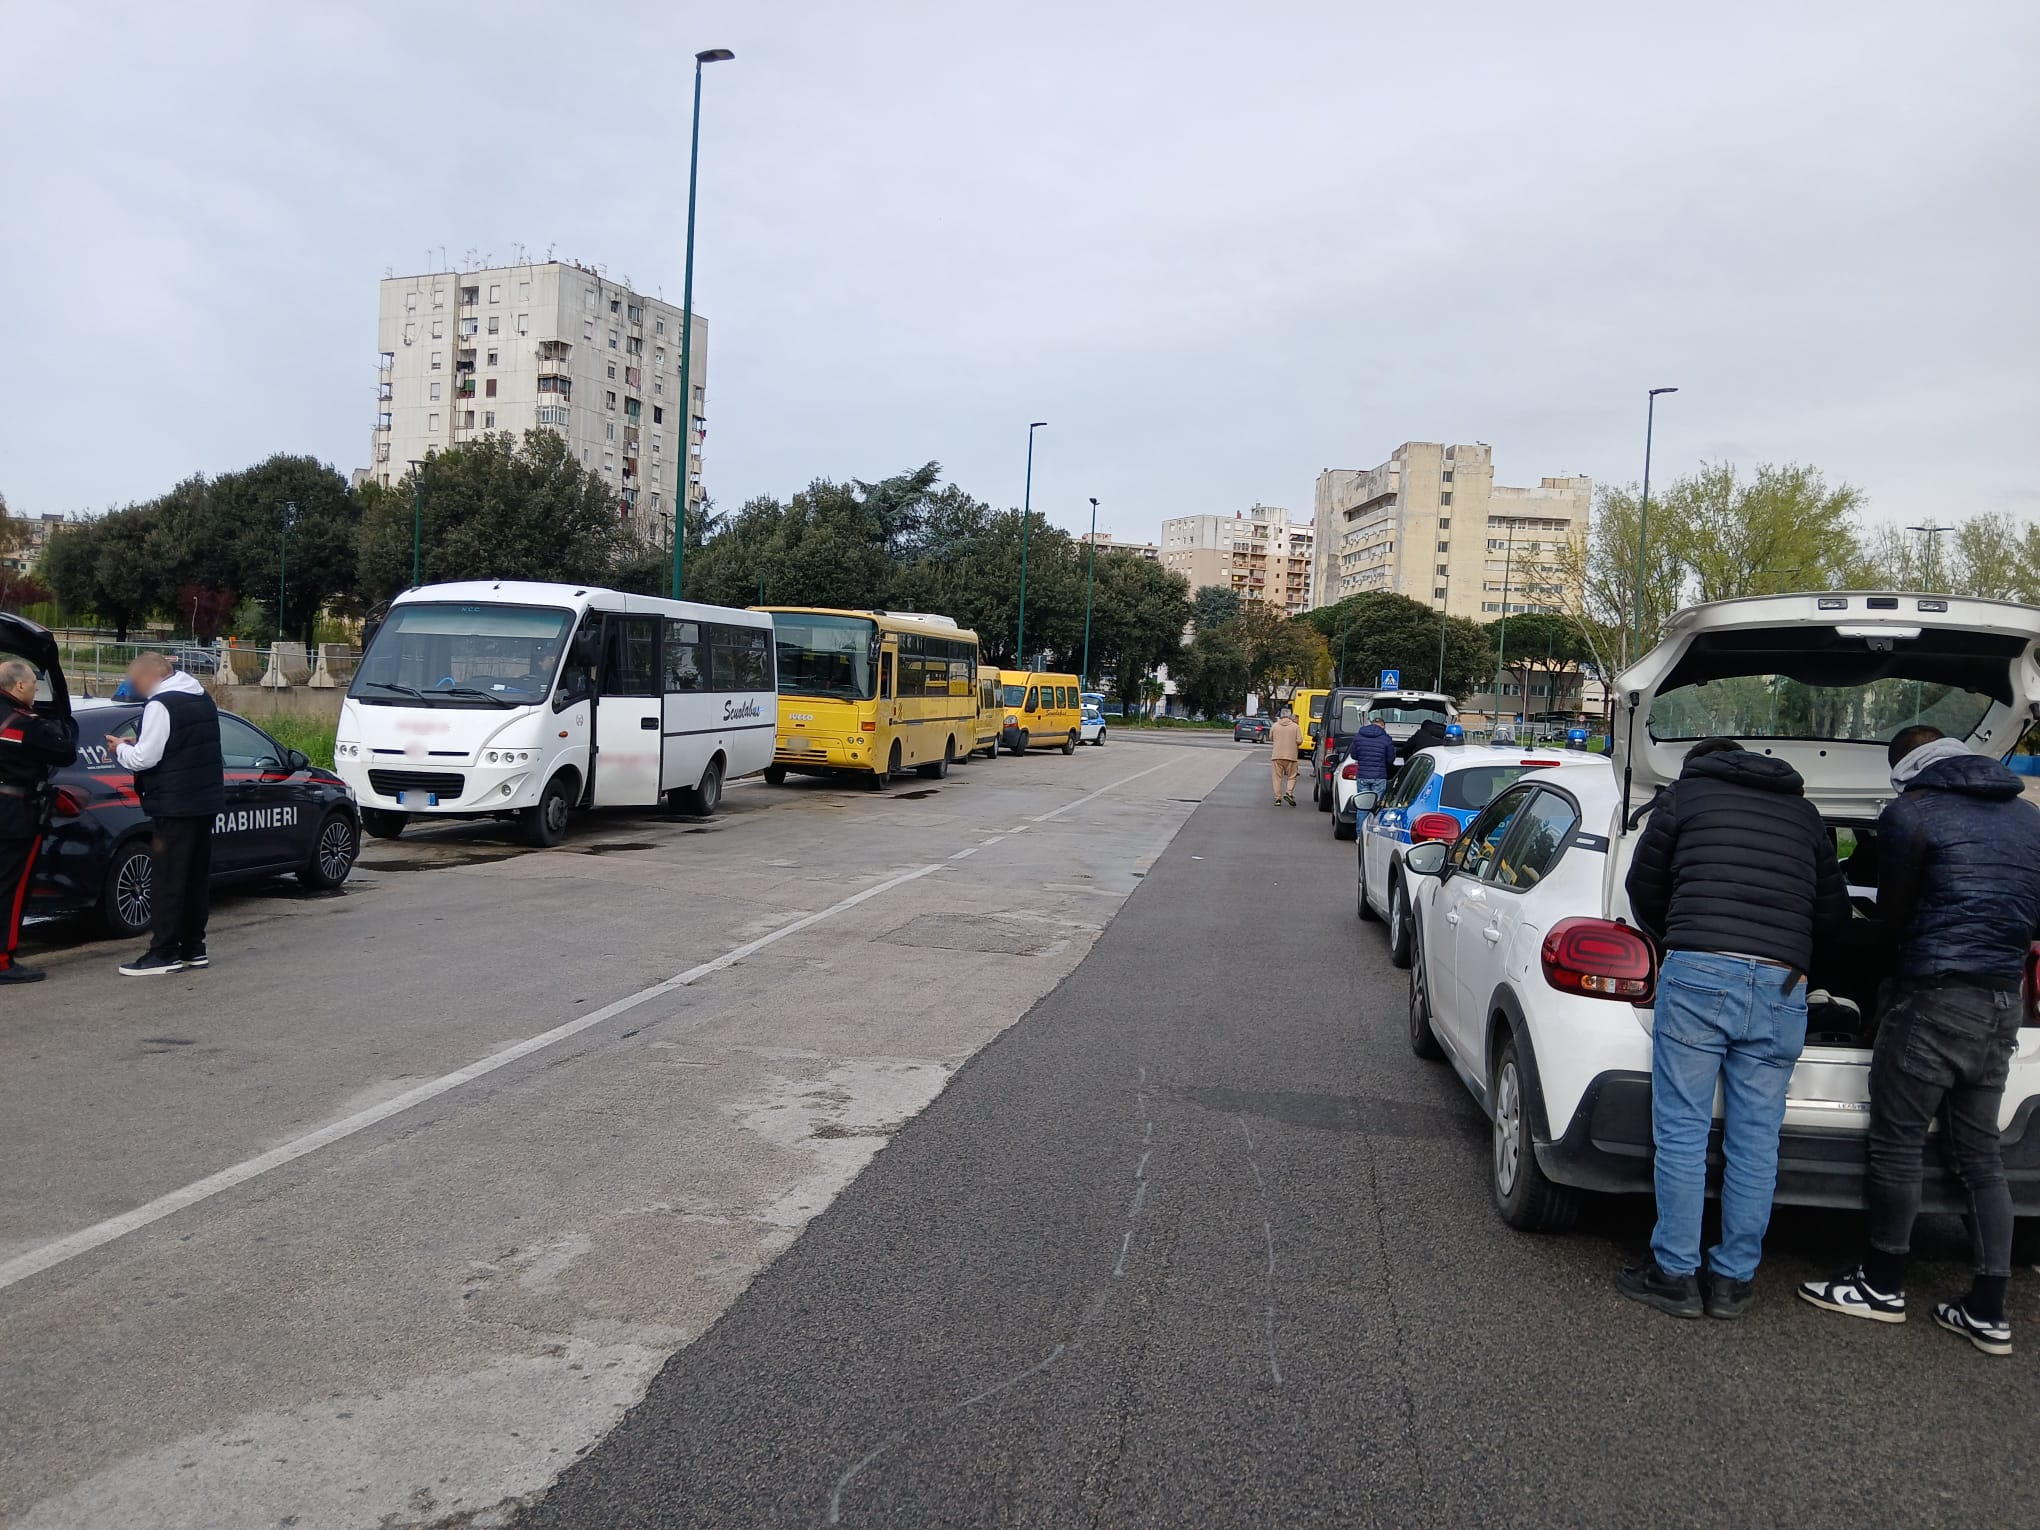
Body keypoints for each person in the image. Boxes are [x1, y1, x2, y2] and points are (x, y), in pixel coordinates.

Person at [1799, 726, 2040, 1355]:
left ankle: (1881, 1285)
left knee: (1898, 1144)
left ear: (1904, 768)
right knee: (1980, 1154)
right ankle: (1988, 1310)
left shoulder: (1911, 813)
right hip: (2002, 1001)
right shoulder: (2028, 818)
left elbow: (1894, 919)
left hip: (1933, 997)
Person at [1618, 736, 1847, 1320]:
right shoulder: (1805, 815)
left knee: (1683, 1131)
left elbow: (1643, 886)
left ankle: (1674, 1273)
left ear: (1698, 766)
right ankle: (1732, 1281)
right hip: (1782, 984)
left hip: (1699, 971)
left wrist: (1678, 934)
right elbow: (1833, 916)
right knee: (1757, 1140)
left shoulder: (1684, 798)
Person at [106, 653, 224, 977]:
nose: (135, 687)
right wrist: (139, 742)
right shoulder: (200, 697)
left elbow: (145, 758)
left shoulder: (161, 704)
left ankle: (164, 952)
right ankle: (193, 947)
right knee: (194, 877)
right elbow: (180, 743)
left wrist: (120, 749)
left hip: (174, 804)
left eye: (135, 680)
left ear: (150, 676)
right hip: (204, 801)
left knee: (169, 879)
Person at [0, 659, 78, 985]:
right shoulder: (28, 724)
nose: (35, 689)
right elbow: (66, 752)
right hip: (15, 814)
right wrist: (64, 723)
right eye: (34, 683)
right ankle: (3, 960)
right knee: (11, 888)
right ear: (19, 686)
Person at [1347, 714, 1397, 802]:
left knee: (1363, 803)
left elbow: (1353, 755)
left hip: (1362, 775)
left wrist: (1363, 759)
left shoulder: (1358, 736)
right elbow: (1390, 760)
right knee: (1376, 803)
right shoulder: (1386, 739)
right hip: (1379, 776)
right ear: (1383, 726)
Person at [1268, 707, 1301, 807]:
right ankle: (1288, 792)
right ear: (1289, 716)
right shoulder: (1295, 726)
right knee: (1292, 776)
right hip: (1291, 756)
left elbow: (1270, 738)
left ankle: (1278, 798)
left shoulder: (1275, 726)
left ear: (1281, 715)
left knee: (1277, 778)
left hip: (1277, 756)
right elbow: (1299, 740)